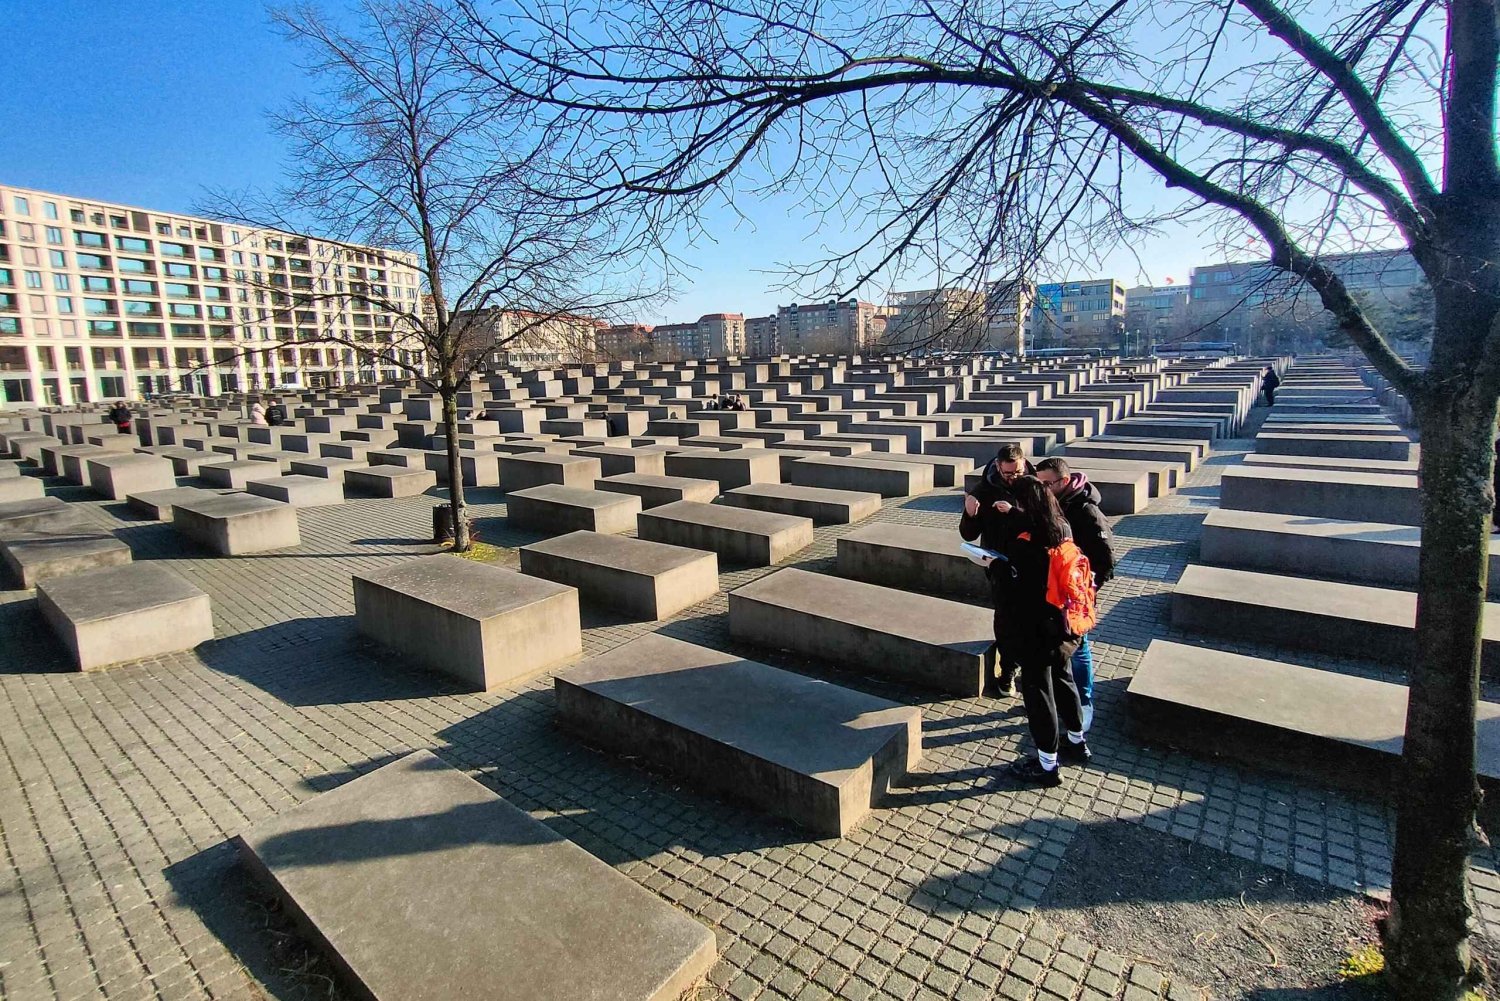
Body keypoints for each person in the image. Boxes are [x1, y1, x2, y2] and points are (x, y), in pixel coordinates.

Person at [988, 476, 1089, 786]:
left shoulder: (1025, 543)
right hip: (1065, 625)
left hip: (1035, 632)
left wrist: (994, 566)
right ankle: (1077, 741)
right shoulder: (1061, 527)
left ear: (1023, 504)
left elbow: (1010, 589)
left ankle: (1046, 765)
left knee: (1038, 693)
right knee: (1064, 680)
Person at [1035, 457, 1115, 731]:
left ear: (1064, 481)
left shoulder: (1086, 511)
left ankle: (1084, 701)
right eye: (1039, 483)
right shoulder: (1051, 502)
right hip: (1054, 591)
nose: (1042, 488)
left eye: (1048, 483)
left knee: (1079, 649)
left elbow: (1106, 560)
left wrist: (1083, 592)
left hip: (1076, 595)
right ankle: (1063, 697)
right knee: (1060, 648)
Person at [959, 442, 1036, 695]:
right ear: (997, 467)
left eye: (1018, 472)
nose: (1013, 478)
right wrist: (970, 514)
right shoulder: (984, 490)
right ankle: (1008, 671)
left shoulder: (1035, 486)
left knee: (1032, 619)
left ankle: (1033, 670)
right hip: (1000, 566)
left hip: (1034, 564)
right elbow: (969, 534)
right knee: (1006, 620)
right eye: (1008, 474)